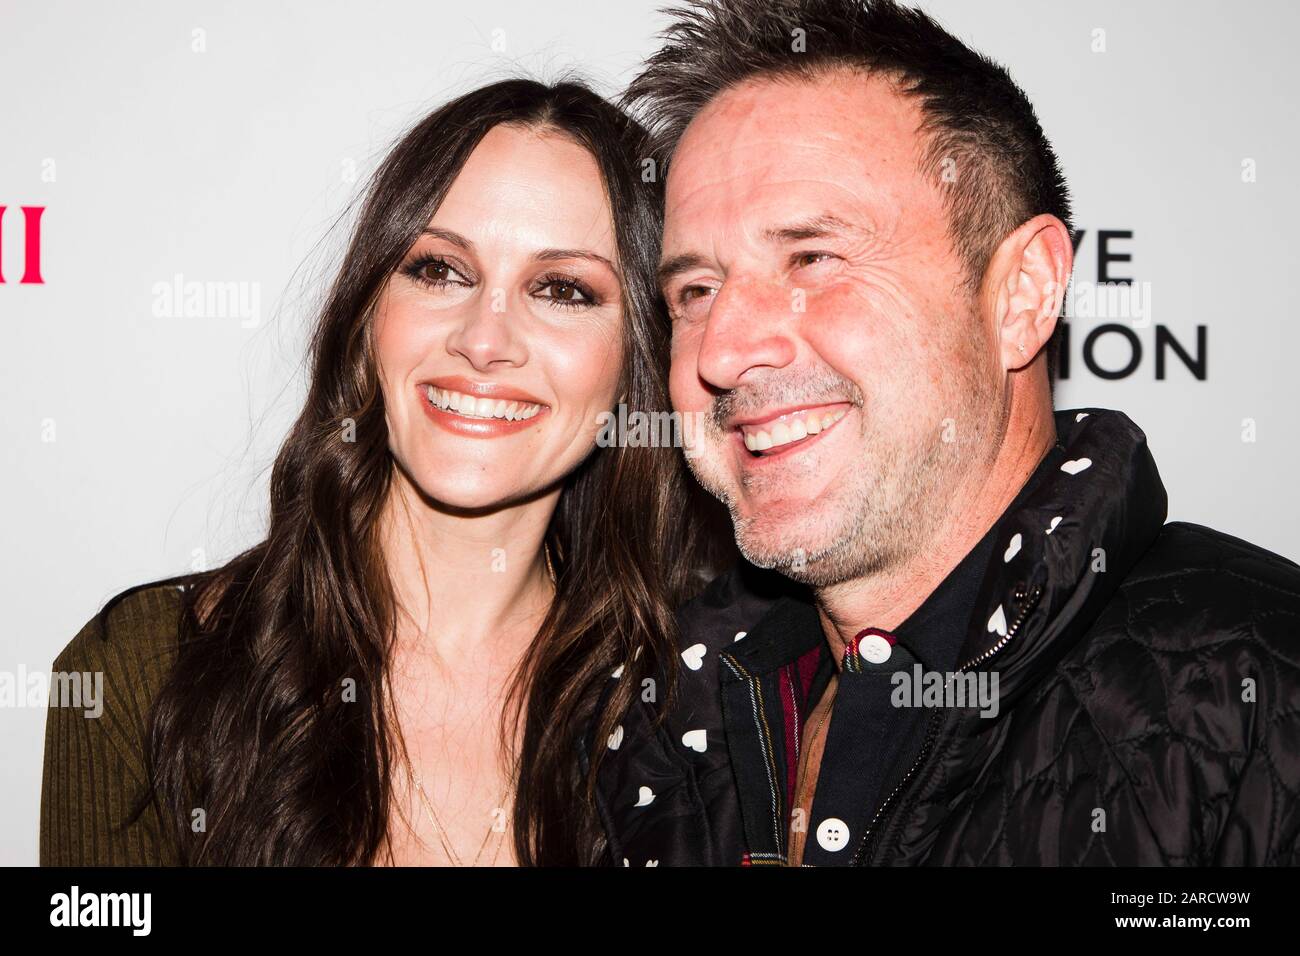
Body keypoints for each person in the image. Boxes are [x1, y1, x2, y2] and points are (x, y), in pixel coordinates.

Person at [591, 0, 1300, 866]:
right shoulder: (655, 719)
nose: (728, 350)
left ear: (1023, 295)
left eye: (812, 259)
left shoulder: (1262, 695)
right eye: (695, 291)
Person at [39, 78, 716, 866]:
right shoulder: (142, 672)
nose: (484, 337)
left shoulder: (702, 705)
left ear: (636, 360)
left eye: (562, 289)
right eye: (439, 270)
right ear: (368, 318)